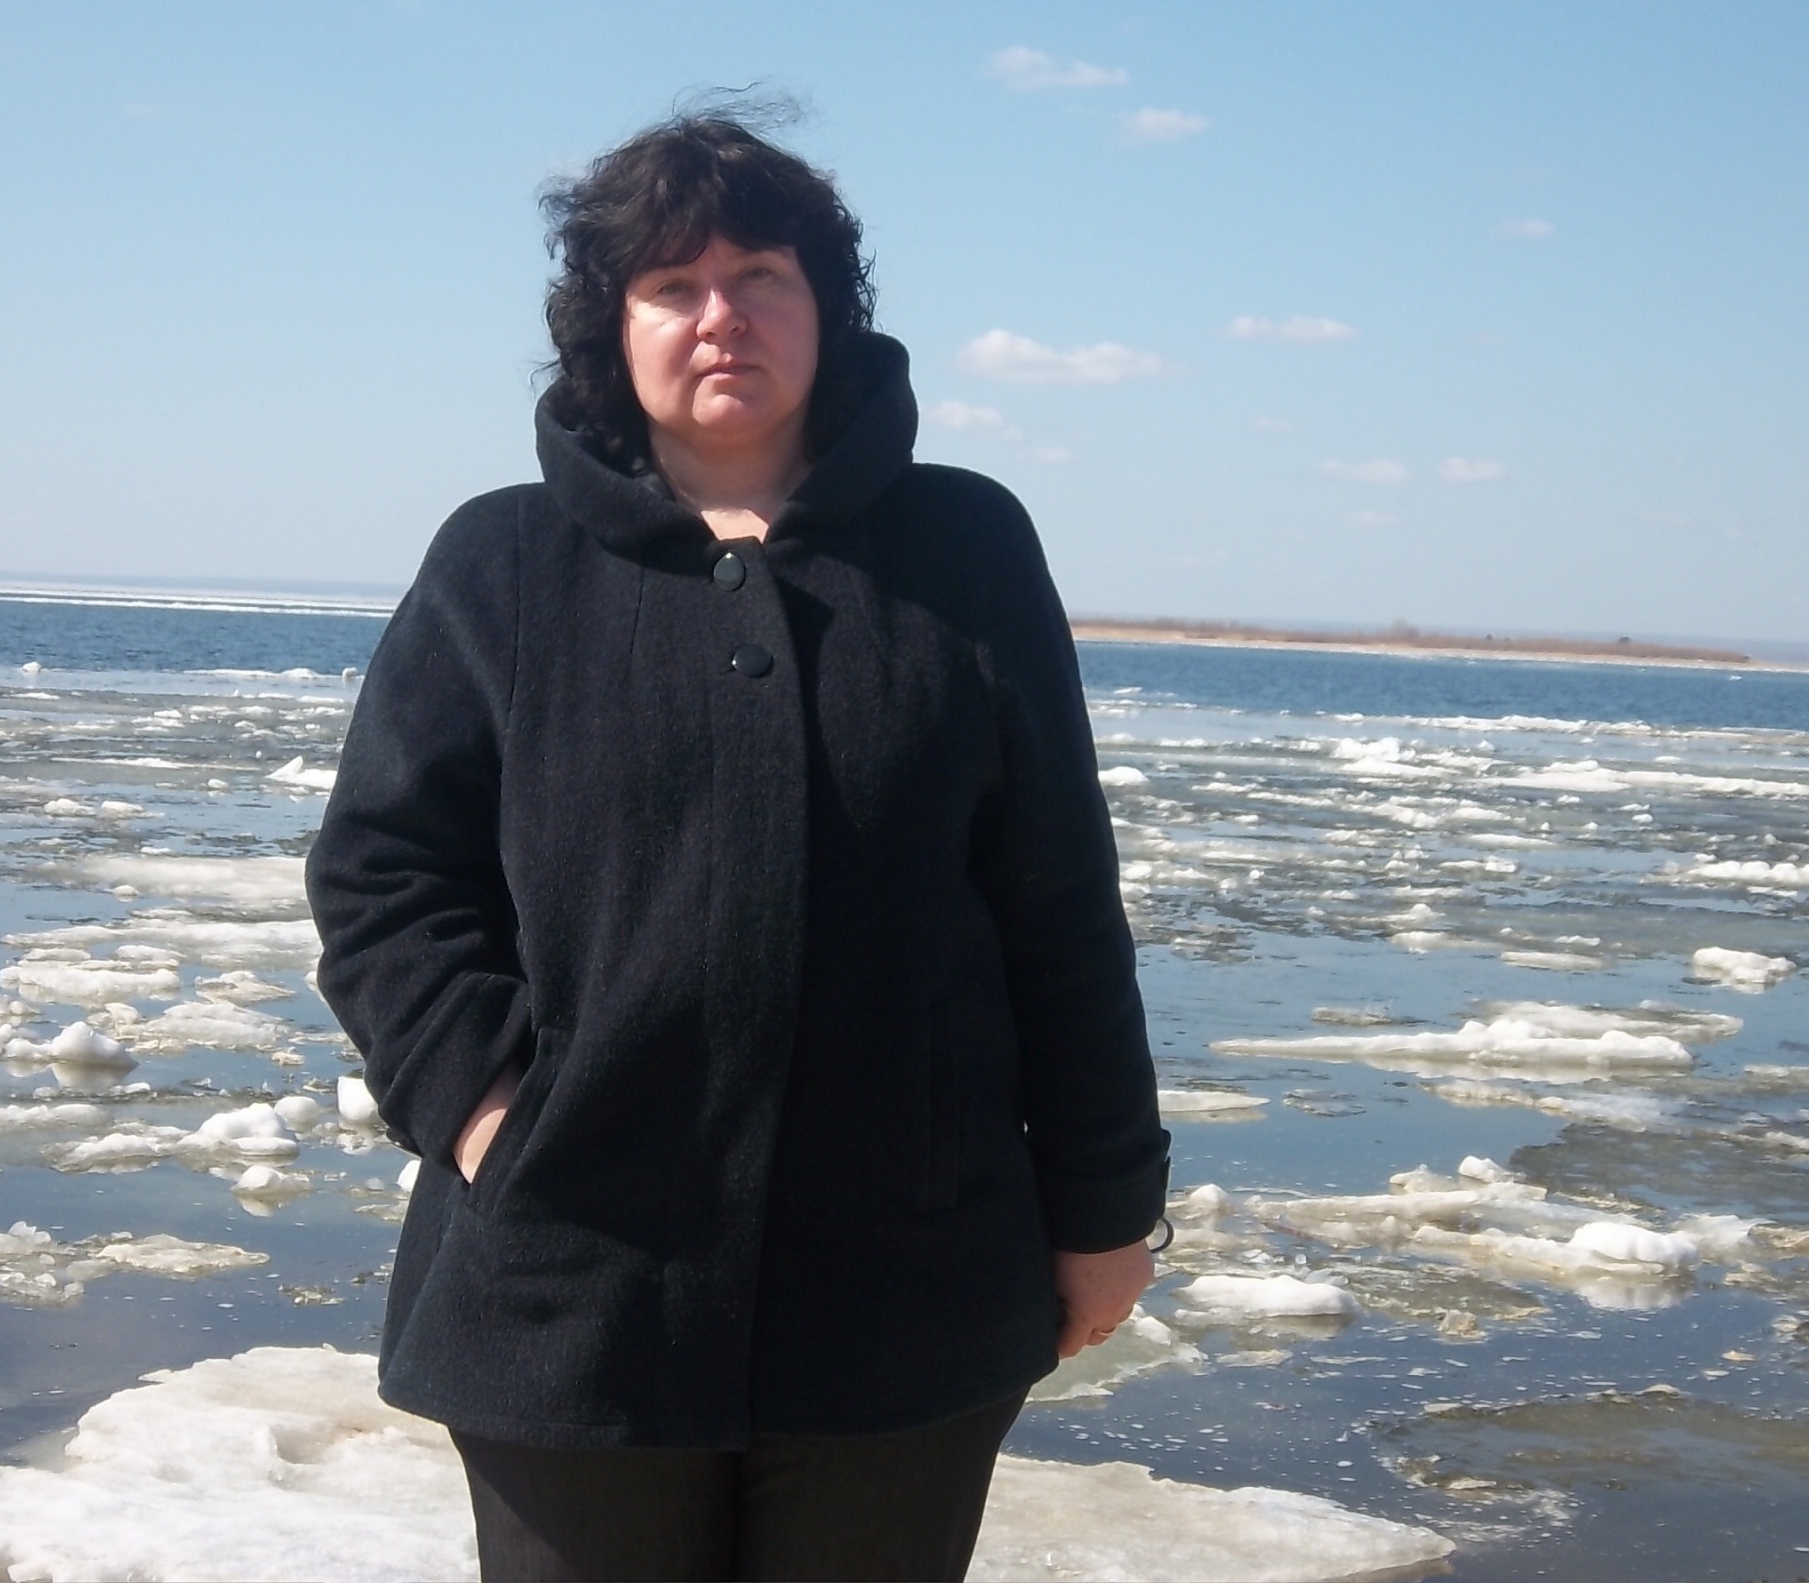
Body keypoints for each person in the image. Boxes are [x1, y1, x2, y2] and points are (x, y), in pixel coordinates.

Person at [307, 109, 1168, 1583]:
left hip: (907, 1294)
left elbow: (1058, 902)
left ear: (826, 308)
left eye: (762, 275)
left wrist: (1104, 1207)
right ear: (613, 328)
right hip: (570, 1291)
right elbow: (383, 876)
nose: (722, 317)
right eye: (671, 286)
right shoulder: (502, 562)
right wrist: (491, 1112)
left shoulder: (963, 548)